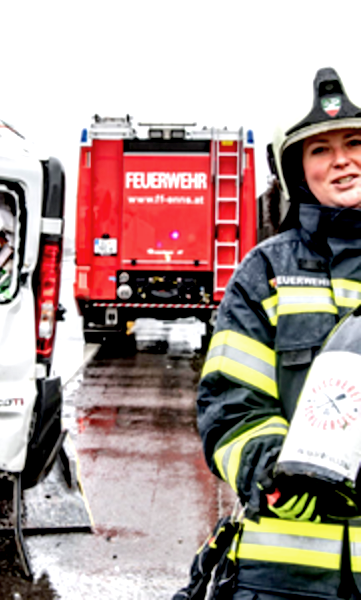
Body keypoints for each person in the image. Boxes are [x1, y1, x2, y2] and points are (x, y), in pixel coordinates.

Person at [197, 67, 361, 600]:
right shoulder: (265, 272)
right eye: (320, 150)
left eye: (355, 143)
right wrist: (271, 469)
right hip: (282, 577)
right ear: (297, 170)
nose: (341, 160)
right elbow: (229, 404)